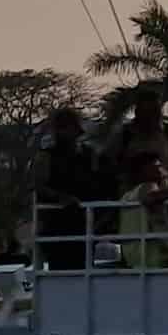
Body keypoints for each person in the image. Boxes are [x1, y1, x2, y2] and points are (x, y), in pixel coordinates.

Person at [35, 107, 106, 269]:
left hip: (84, 222)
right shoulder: (47, 156)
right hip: (57, 223)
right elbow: (39, 185)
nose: (65, 132)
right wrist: (61, 197)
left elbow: (100, 183)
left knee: (84, 266)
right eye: (62, 127)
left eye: (69, 127)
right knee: (61, 268)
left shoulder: (89, 155)